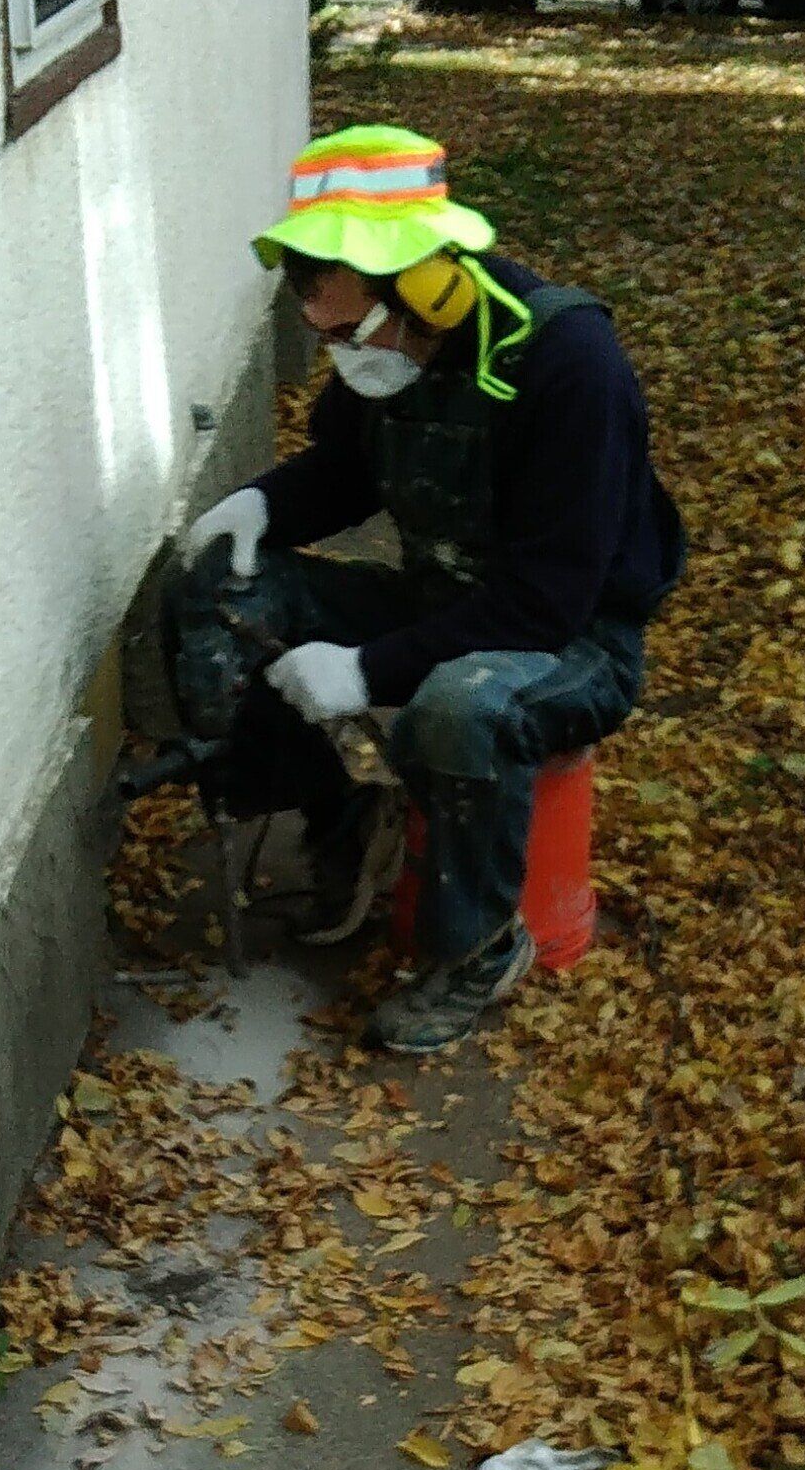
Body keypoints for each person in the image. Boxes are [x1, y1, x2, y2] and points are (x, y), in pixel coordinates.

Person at [166, 123, 685, 1055]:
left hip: (571, 642)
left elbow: (544, 605)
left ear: (431, 284)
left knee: (458, 705)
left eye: (350, 330)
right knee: (230, 588)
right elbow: (347, 469)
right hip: (444, 598)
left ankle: (477, 951)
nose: (340, 356)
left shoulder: (570, 368)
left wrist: (368, 668)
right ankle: (338, 817)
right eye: (317, 334)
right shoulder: (393, 344)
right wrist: (257, 508)